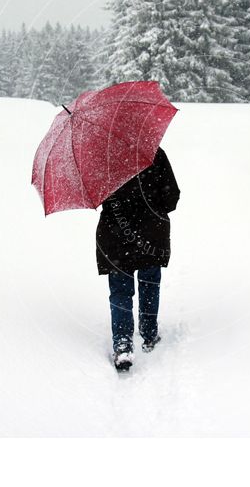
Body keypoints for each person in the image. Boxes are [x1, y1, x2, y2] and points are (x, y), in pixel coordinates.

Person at [96, 147, 180, 371]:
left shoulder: (103, 157)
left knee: (121, 291)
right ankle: (149, 331)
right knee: (149, 282)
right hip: (151, 232)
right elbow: (172, 197)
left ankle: (123, 344)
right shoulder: (154, 152)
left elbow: (95, 195)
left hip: (115, 234)